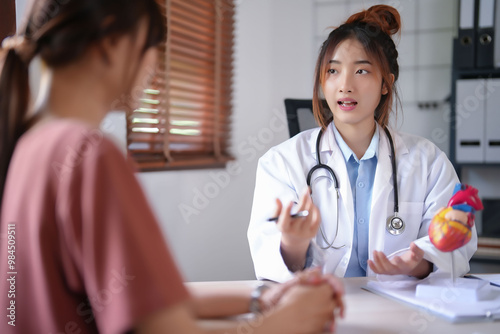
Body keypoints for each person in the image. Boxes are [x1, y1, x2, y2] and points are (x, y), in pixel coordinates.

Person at [0, 0, 344, 333]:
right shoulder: (90, 155)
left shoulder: (29, 145)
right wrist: (283, 325)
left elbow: (140, 301)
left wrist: (260, 297)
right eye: (153, 44)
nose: (156, 64)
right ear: (111, 41)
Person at [247, 5, 477, 283]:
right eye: (333, 71)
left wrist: (417, 262)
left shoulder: (428, 161)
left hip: (400, 309)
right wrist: (293, 245)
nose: (344, 85)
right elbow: (267, 258)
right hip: (319, 309)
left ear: (385, 84)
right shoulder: (282, 162)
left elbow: (455, 246)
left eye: (362, 71)